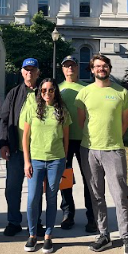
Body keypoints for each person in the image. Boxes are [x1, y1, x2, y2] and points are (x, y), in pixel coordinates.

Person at [75, 54, 128, 254]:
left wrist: (112, 138)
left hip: (113, 150)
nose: (101, 69)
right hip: (89, 150)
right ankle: (103, 234)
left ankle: (127, 236)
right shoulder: (84, 93)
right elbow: (81, 121)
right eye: (98, 66)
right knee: (96, 195)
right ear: (92, 69)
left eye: (105, 66)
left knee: (120, 194)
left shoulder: (121, 92)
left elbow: (125, 122)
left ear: (109, 69)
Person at [23, 78, 71, 254]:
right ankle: (32, 234)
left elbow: (66, 138)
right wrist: (27, 161)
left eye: (51, 90)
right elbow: (25, 137)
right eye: (43, 90)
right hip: (35, 160)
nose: (47, 93)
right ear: (39, 92)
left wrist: (64, 160)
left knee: (51, 197)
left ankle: (48, 236)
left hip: (56, 160)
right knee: (33, 198)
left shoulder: (62, 110)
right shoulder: (32, 109)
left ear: (55, 92)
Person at [0, 58, 45, 237]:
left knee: (35, 190)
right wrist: (3, 143)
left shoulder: (44, 92)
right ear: (21, 72)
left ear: (38, 72)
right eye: (26, 70)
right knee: (12, 188)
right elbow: (4, 119)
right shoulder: (14, 93)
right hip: (16, 149)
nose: (29, 73)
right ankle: (13, 221)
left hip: (38, 151)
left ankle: (36, 222)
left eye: (33, 70)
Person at [58, 56, 97, 233]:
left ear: (77, 68)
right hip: (63, 141)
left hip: (84, 140)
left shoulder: (87, 89)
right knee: (65, 179)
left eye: (73, 65)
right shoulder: (57, 89)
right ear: (63, 69)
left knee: (89, 179)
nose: (70, 69)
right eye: (66, 66)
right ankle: (68, 214)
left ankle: (92, 216)